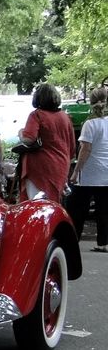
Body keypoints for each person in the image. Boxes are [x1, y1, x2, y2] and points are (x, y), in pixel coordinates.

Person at [17, 83, 76, 203]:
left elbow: (29, 139)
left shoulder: (37, 115)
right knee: (55, 204)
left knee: (38, 206)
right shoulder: (65, 117)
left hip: (41, 168)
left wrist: (20, 133)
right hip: (61, 165)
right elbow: (72, 147)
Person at [66, 86, 108, 252]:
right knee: (104, 211)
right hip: (106, 174)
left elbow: (86, 149)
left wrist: (76, 171)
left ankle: (72, 240)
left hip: (90, 174)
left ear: (91, 103)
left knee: (76, 208)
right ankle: (103, 243)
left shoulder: (89, 124)